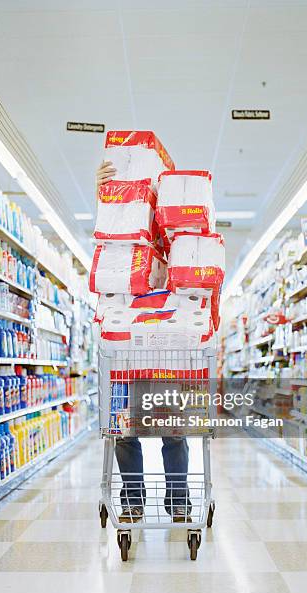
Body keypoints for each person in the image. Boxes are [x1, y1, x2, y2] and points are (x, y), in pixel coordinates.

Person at [96, 161, 191, 523]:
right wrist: (103, 191)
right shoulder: (123, 236)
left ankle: (178, 499)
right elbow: (107, 230)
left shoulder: (174, 234)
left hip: (166, 348)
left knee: (174, 432)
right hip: (124, 350)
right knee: (123, 430)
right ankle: (134, 498)